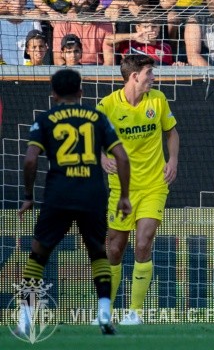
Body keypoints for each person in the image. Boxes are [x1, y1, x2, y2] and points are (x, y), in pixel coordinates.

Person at [15, 69, 131, 337]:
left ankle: (25, 316)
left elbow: (31, 159)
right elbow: (122, 158)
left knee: (39, 253)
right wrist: (124, 196)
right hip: (92, 193)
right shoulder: (97, 117)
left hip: (58, 194)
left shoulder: (45, 119)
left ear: (53, 95)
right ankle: (104, 311)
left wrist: (29, 196)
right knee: (97, 252)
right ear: (81, 92)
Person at [97, 54, 179, 325]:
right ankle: (105, 310)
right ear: (134, 77)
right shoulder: (108, 105)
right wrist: (101, 156)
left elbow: (172, 132)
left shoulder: (158, 100)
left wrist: (173, 160)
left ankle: (135, 312)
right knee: (116, 248)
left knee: (143, 243)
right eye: (149, 73)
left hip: (154, 184)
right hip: (121, 189)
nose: (153, 78)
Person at [51, 0, 114, 65]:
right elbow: (58, 60)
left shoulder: (105, 23)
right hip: (69, 69)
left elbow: (109, 62)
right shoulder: (62, 24)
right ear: (72, 0)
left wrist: (99, 76)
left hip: (97, 70)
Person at [0, 0, 42, 65]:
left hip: (30, 70)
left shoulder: (33, 21)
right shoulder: (1, 23)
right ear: (6, 2)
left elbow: (39, 51)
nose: (18, 1)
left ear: (25, 0)